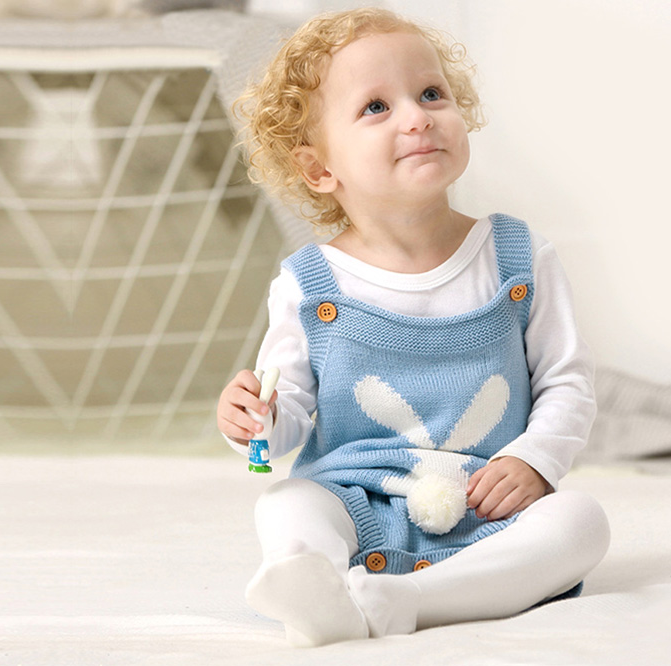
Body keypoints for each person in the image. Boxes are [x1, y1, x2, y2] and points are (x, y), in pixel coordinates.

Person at [214, 7, 608, 647]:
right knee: (287, 502)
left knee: (581, 521)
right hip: (356, 497)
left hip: (487, 502)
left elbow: (567, 380)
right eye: (376, 107)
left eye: (430, 94)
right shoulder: (309, 285)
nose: (418, 117)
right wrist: (253, 420)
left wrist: (534, 460)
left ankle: (410, 600)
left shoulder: (518, 259)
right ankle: (310, 578)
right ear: (319, 170)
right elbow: (285, 420)